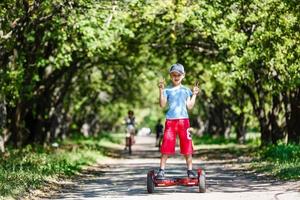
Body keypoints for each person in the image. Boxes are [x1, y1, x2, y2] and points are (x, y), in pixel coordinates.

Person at [157, 63, 199, 179]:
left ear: (183, 76)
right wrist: (161, 90)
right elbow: (162, 104)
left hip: (184, 122)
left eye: (178, 75)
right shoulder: (167, 90)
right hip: (170, 122)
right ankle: (161, 170)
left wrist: (194, 94)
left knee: (187, 146)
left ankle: (190, 170)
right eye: (173, 75)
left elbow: (190, 106)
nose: (176, 77)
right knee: (166, 146)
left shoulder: (186, 90)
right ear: (170, 76)